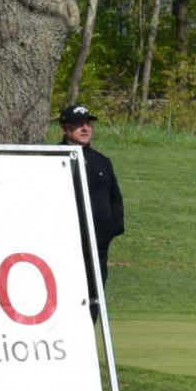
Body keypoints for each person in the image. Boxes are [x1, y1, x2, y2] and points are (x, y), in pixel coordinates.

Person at [58, 104, 125, 296]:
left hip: (98, 246)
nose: (85, 128)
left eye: (88, 124)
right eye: (79, 124)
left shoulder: (102, 161)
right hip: (65, 246)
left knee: (95, 296)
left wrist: (113, 227)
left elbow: (115, 198)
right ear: (65, 128)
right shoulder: (54, 158)